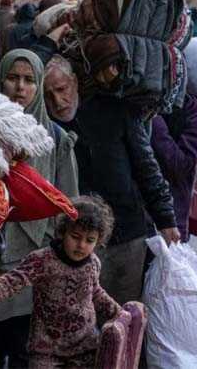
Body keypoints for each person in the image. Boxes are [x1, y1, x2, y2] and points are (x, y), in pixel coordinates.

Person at [0, 49, 80, 368]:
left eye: (29, 81)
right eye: (12, 78)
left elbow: (68, 206)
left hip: (32, 270)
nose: (20, 88)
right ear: (0, 81)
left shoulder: (55, 139)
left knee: (27, 356)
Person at [42, 56, 179, 304]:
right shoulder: (45, 130)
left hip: (126, 235)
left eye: (62, 90)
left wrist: (166, 219)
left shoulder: (113, 110)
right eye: (48, 95)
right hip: (74, 243)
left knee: (124, 320)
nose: (58, 101)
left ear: (74, 82)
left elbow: (146, 166)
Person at [0, 196, 122, 369]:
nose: (81, 245)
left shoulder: (93, 263)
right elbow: (13, 280)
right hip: (46, 351)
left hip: (84, 347)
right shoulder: (43, 260)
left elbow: (95, 291)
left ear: (98, 241)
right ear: (63, 232)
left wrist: (118, 312)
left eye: (90, 241)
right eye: (75, 237)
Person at [149, 93, 197, 238]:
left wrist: (154, 118)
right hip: (133, 222)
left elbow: (182, 165)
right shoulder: (132, 100)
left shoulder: (190, 108)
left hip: (171, 220)